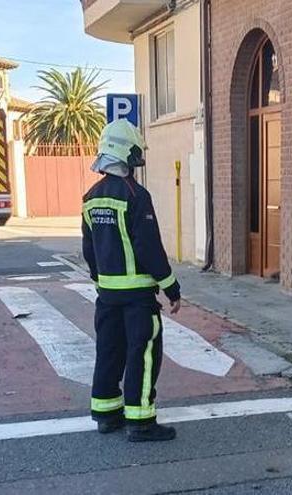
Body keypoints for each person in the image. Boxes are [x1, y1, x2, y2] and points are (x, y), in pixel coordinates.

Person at [82, 119, 181, 442]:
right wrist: (171, 287)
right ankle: (140, 421)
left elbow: (89, 249)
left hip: (107, 295)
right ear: (127, 154)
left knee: (109, 351)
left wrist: (102, 280)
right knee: (143, 352)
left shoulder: (91, 198)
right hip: (138, 296)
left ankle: (106, 414)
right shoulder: (136, 196)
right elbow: (149, 247)